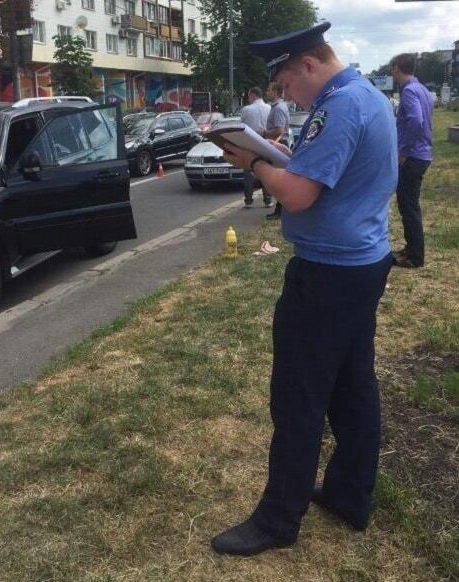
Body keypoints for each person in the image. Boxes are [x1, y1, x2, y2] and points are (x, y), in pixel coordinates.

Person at [211, 22, 397, 556]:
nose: (286, 97)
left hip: (329, 272)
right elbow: (320, 177)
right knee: (351, 385)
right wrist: (277, 159)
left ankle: (277, 521)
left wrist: (255, 161)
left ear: (310, 65)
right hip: (361, 262)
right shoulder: (365, 96)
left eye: (287, 86)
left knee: (298, 395)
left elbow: (296, 197)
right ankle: (349, 494)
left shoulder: (340, 106)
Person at [391, 53, 434, 268]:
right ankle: (411, 248)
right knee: (408, 204)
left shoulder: (408, 90)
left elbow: (416, 120)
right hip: (423, 153)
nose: (392, 72)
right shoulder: (422, 89)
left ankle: (415, 256)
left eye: (392, 68)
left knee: (408, 205)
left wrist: (404, 150)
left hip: (413, 155)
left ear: (398, 68)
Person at [240, 87, 272, 208]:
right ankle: (268, 199)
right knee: (266, 170)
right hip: (266, 143)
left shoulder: (246, 110)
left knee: (248, 171)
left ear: (253, 95)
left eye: (249, 96)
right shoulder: (270, 108)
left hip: (251, 144)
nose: (248, 99)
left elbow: (242, 127)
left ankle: (248, 201)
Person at [263, 82, 291, 217]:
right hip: (279, 143)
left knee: (278, 177)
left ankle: (280, 210)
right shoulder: (278, 107)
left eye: (269, 90)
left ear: (275, 92)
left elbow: (279, 130)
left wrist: (264, 132)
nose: (267, 92)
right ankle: (280, 209)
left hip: (279, 144)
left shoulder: (278, 108)